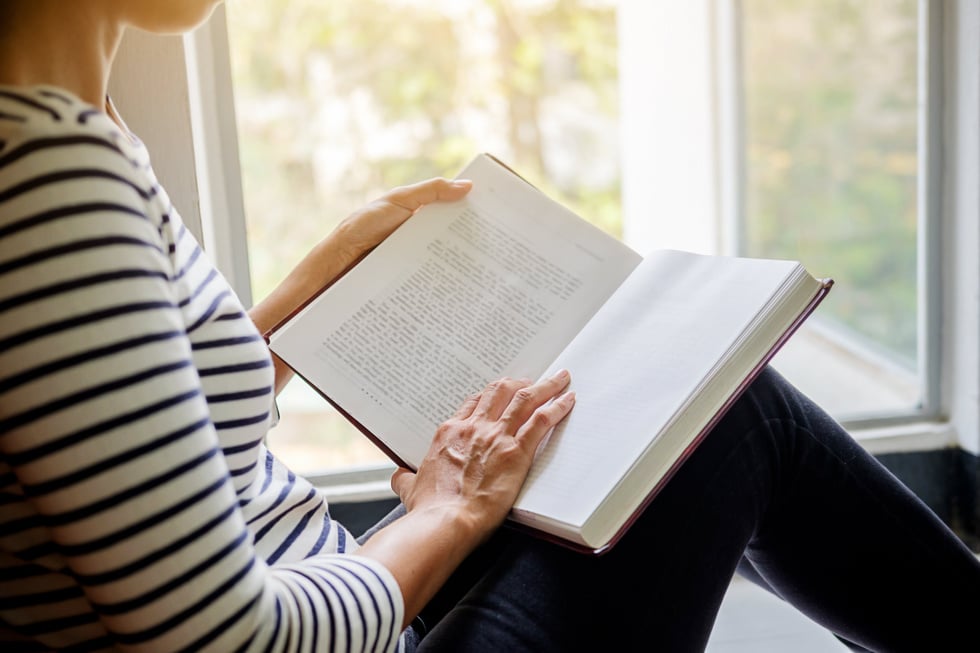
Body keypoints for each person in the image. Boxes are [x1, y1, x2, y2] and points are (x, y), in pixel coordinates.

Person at [0, 1, 977, 651]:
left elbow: (142, 448)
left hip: (337, 590)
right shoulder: (49, 177)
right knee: (728, 417)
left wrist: (321, 274)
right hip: (326, 622)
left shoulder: (65, 129)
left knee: (669, 426)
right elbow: (224, 640)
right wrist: (445, 510)